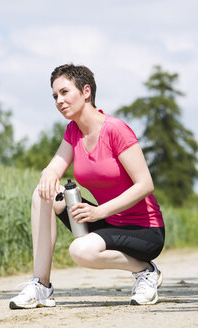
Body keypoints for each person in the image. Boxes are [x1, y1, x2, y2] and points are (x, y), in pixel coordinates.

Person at [9, 64, 165, 309]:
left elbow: (145, 184)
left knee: (80, 251)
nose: (59, 101)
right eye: (54, 96)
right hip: (110, 225)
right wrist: (48, 173)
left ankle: (146, 272)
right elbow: (54, 167)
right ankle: (41, 286)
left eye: (64, 92)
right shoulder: (74, 132)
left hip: (144, 230)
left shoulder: (115, 130)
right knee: (43, 195)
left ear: (86, 92)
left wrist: (98, 212)